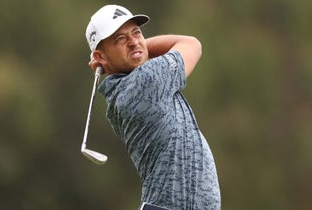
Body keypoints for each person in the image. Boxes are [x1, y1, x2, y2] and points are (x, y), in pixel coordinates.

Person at [85, 5, 221, 210]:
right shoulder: (146, 81)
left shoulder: (124, 91)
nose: (133, 41)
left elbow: (138, 51)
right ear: (100, 57)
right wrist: (140, 48)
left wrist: (129, 50)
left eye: (136, 32)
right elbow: (191, 44)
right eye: (120, 39)